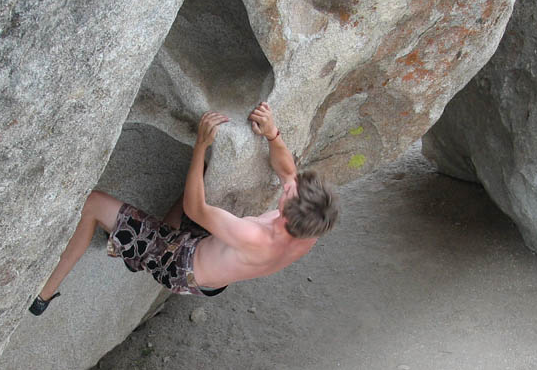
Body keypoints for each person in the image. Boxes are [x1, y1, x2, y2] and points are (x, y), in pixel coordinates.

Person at [29, 102, 338, 315]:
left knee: (93, 203)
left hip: (179, 266)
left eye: (288, 194)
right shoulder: (309, 229)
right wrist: (273, 134)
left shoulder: (252, 235)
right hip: (212, 272)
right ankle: (135, 252)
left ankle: (44, 295)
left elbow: (195, 207)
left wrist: (200, 145)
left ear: (286, 216)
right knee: (200, 178)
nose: (288, 185)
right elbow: (287, 172)